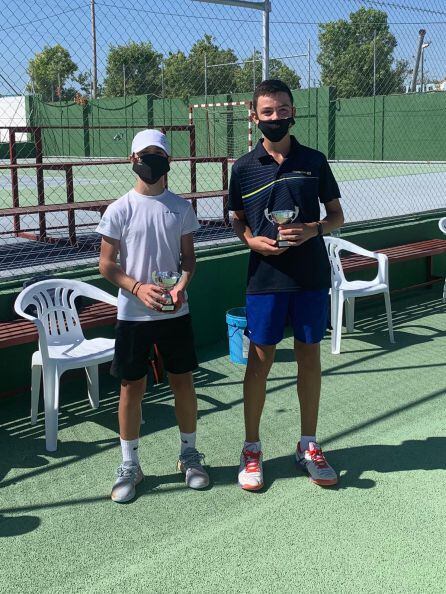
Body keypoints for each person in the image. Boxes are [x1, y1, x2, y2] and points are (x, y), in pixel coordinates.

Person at [228, 80, 344, 490]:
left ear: (293, 111)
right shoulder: (243, 168)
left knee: (309, 357)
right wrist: (248, 239)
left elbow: (336, 217)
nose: (275, 118)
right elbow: (236, 217)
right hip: (265, 277)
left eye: (282, 110)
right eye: (267, 112)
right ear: (255, 117)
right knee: (259, 362)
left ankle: (308, 444)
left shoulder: (314, 161)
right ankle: (252, 448)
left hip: (310, 276)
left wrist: (312, 229)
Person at [97, 129, 209, 503]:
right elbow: (106, 265)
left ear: (168, 161)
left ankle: (189, 456)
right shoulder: (119, 210)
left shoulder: (180, 208)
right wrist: (137, 288)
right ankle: (130, 465)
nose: (151, 161)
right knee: (132, 387)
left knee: (183, 382)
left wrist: (181, 287)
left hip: (175, 313)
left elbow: (188, 260)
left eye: (158, 155)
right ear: (132, 160)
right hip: (133, 316)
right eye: (145, 155)